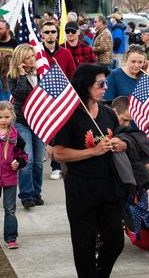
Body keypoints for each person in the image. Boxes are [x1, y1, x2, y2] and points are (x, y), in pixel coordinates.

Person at [52, 64, 129, 278]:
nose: (106, 87)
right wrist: (93, 152)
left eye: (106, 83)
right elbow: (59, 154)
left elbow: (123, 137)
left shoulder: (108, 113)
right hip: (80, 188)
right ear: (85, 85)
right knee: (84, 245)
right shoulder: (69, 115)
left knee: (115, 240)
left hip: (108, 186)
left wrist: (120, 144)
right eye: (100, 83)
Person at [8, 44, 46, 209]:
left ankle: (36, 193)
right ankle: (26, 195)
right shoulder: (13, 75)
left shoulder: (41, 73)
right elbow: (19, 94)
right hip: (22, 121)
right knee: (27, 159)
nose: (32, 59)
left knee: (38, 161)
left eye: (33, 56)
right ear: (20, 59)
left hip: (39, 121)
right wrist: (22, 75)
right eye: (28, 57)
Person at [41, 21, 76, 180]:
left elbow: (72, 76)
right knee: (47, 132)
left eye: (52, 32)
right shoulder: (38, 53)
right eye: (46, 32)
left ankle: (57, 166)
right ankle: (48, 159)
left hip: (62, 97)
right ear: (42, 34)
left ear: (57, 34)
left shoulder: (65, 53)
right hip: (42, 97)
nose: (50, 34)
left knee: (59, 131)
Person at [0, 101, 28, 249]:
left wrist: (18, 162)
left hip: (9, 177)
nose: (3, 120)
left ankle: (11, 237)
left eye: (6, 117)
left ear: (12, 116)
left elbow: (23, 156)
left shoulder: (16, 137)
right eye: (0, 117)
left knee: (10, 208)